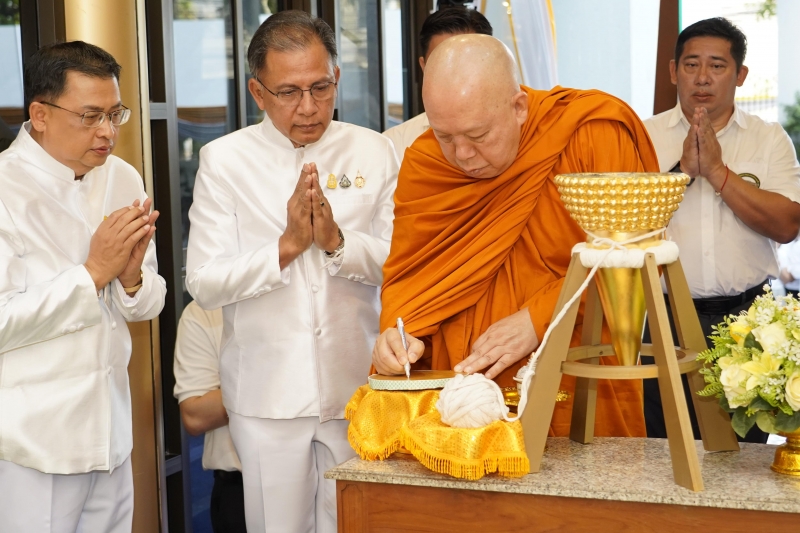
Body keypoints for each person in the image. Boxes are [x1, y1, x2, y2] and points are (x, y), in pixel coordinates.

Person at [372, 34, 659, 437]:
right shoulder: (426, 163)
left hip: (572, 364)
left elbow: (634, 262)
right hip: (460, 392)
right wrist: (395, 334)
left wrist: (540, 319)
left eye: (477, 136)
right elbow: (410, 274)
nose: (462, 155)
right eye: (445, 136)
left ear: (519, 107)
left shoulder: (592, 132)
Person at [185, 11, 398, 533]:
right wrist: (284, 249)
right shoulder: (223, 160)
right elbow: (205, 282)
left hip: (359, 390)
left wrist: (337, 243)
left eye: (320, 87)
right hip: (266, 397)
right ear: (258, 93)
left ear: (337, 78)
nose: (308, 107)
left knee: (360, 523)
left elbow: (402, 263)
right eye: (288, 92)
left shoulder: (375, 149)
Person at [0, 41, 166, 531]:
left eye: (116, 114)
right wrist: (93, 274)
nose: (108, 132)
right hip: (35, 442)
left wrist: (131, 278)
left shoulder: (121, 177)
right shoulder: (5, 190)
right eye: (91, 115)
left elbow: (147, 304)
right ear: (40, 114)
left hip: (112, 432)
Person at [643, 17, 800, 443]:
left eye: (717, 65)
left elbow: (787, 225)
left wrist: (717, 172)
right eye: (691, 65)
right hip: (665, 318)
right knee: (661, 449)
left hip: (748, 321)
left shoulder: (768, 139)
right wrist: (684, 173)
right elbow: (628, 223)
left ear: (740, 75)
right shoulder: (645, 135)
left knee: (742, 456)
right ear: (674, 71)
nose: (703, 78)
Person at [382, 6, 492, 161]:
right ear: (424, 67)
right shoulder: (394, 146)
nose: (456, 75)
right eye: (442, 62)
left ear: (491, 63)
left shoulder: (529, 129)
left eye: (467, 61)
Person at [174, 301, 245, 533]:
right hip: (238, 488)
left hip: (326, 475)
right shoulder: (203, 311)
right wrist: (271, 380)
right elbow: (195, 416)